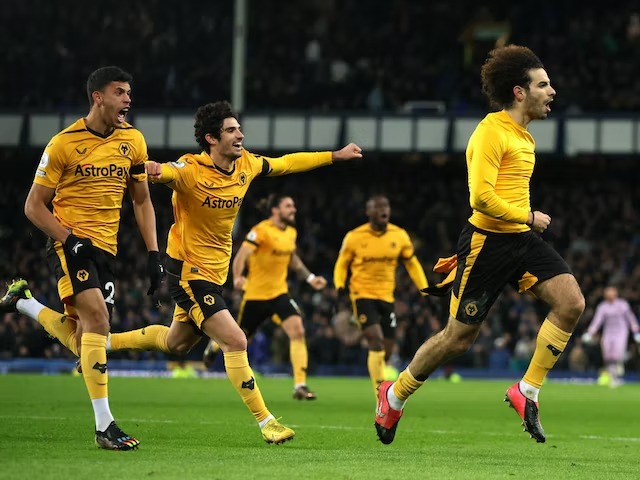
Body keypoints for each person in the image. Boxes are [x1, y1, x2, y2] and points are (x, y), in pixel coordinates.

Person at [90, 100, 362, 443]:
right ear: (211, 138)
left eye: (239, 129)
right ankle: (267, 422)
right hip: (187, 272)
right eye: (231, 130)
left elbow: (287, 163)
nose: (240, 135)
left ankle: (105, 343)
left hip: (213, 274)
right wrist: (154, 169)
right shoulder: (191, 170)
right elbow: (167, 172)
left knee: (176, 343)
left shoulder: (247, 163)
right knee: (235, 340)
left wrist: (334, 156)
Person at [374, 45, 585, 445]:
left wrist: (524, 222)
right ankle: (395, 394)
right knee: (458, 339)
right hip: (487, 243)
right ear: (519, 92)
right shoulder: (491, 132)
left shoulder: (524, 137)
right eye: (543, 84)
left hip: (520, 239)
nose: (552, 91)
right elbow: (481, 198)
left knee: (571, 302)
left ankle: (527, 390)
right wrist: (528, 216)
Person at [0, 66, 165, 450]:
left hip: (107, 249)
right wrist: (69, 239)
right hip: (69, 244)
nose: (128, 99)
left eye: (129, 93)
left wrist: (154, 253)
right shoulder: (63, 143)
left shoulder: (133, 141)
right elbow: (33, 206)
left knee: (86, 338)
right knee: (98, 322)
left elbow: (142, 200)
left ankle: (24, 303)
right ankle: (105, 427)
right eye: (120, 92)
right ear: (98, 97)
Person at [202, 194, 327, 400]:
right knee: (240, 337)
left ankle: (300, 385)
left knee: (298, 330)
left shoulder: (291, 232)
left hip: (279, 294)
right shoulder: (260, 231)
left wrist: (310, 278)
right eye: (288, 206)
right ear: (275, 210)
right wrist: (238, 277)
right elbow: (241, 256)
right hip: (256, 296)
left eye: (293, 206)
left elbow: (293, 259)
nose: (293, 209)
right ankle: (215, 345)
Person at [333, 194, 429, 398]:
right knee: (375, 340)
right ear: (368, 212)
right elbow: (342, 263)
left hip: (386, 297)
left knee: (387, 348)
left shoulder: (399, 235)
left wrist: (425, 290)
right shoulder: (355, 237)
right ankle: (380, 394)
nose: (383, 210)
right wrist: (340, 286)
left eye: (385, 206)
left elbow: (412, 264)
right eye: (377, 207)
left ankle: (381, 379)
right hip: (362, 294)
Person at [582, 286, 640, 387]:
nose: (609, 295)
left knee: (616, 354)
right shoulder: (603, 307)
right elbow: (597, 321)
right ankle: (614, 378)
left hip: (621, 332)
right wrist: (590, 333)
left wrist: (636, 332)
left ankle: (621, 361)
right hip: (608, 333)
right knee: (608, 356)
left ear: (615, 293)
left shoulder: (622, 305)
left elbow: (630, 319)